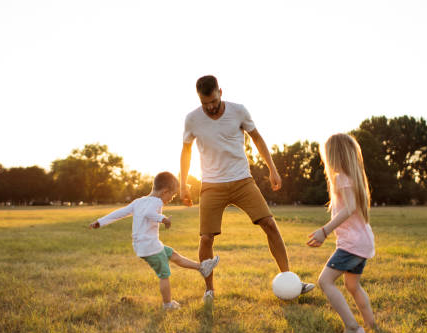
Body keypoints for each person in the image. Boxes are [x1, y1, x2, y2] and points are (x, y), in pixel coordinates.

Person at [180, 75, 314, 302]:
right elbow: (186, 151)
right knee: (205, 238)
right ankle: (209, 290)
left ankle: (289, 279)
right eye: (206, 104)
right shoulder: (192, 119)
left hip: (242, 180)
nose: (211, 107)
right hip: (212, 185)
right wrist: (182, 183)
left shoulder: (238, 111)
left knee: (269, 224)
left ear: (220, 92)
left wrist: (272, 168)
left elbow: (258, 139)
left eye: (213, 101)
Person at [90, 171, 220, 310]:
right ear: (165, 191)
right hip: (150, 246)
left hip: (144, 245)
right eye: (172, 194)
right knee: (164, 274)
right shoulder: (157, 201)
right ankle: (167, 304)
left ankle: (202, 267)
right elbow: (149, 213)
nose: (171, 198)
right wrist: (163, 219)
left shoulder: (138, 201)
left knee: (172, 254)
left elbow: (120, 213)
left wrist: (100, 222)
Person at [306, 133, 376, 333]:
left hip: (352, 245)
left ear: (333, 156)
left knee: (325, 281)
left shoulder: (341, 178)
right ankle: (372, 326)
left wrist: (324, 231)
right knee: (353, 286)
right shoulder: (353, 178)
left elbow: (349, 209)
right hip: (362, 242)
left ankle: (353, 328)